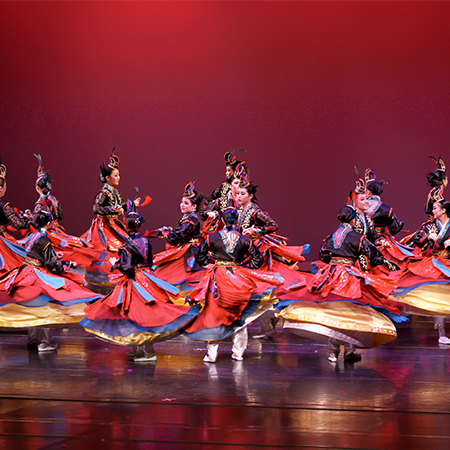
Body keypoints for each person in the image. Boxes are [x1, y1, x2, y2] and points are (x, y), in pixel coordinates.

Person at [278, 206, 405, 362]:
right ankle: (349, 350)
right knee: (351, 310)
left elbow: (323, 255)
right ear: (353, 220)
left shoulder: (331, 236)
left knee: (331, 308)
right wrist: (384, 263)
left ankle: (333, 352)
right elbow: (371, 253)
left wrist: (335, 261)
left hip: (330, 275)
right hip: (348, 276)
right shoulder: (356, 237)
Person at [81, 208, 199, 362]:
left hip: (134, 280)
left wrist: (116, 265)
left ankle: (146, 352)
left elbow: (127, 268)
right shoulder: (145, 241)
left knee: (137, 314)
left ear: (126, 226)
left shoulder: (126, 246)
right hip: (147, 277)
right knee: (144, 314)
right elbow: (149, 262)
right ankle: (139, 348)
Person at [182, 207, 283, 362]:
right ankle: (238, 353)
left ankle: (212, 353)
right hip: (238, 278)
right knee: (239, 316)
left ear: (222, 220)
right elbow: (257, 259)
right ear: (236, 220)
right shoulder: (244, 240)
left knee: (214, 314)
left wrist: (209, 263)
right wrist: (244, 268)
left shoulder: (213, 238)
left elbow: (200, 255)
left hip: (218, 278)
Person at [0, 211, 102, 351]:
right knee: (50, 305)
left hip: (26, 271)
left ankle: (33, 340)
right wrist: (66, 266)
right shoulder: (44, 240)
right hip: (39, 274)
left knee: (35, 307)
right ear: (49, 223)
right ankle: (43, 342)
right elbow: (53, 264)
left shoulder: (32, 237)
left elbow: (36, 254)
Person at [235, 175, 310, 338]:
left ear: (250, 196)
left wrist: (256, 231)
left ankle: (268, 322)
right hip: (246, 251)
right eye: (238, 193)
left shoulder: (255, 211)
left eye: (242, 193)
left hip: (257, 251)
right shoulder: (242, 211)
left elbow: (273, 225)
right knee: (256, 286)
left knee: (259, 286)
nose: (238, 196)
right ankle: (268, 321)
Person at [29, 154, 99, 276]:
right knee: (72, 244)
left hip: (47, 231)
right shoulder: (54, 199)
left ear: (37, 188)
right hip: (56, 228)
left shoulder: (40, 203)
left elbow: (35, 221)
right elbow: (60, 216)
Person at [393, 198, 450, 345]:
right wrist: (427, 237)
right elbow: (417, 239)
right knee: (437, 297)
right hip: (436, 263)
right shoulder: (429, 226)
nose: (433, 211)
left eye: (435, 208)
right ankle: (441, 333)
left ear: (443, 210)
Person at [82, 148, 139, 288]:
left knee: (127, 243)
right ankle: (102, 278)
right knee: (106, 250)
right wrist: (114, 209)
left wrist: (131, 204)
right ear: (107, 178)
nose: (119, 177)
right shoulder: (103, 192)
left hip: (114, 224)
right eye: (116, 175)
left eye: (119, 175)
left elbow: (119, 207)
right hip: (104, 226)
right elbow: (96, 208)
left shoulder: (115, 192)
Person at [152, 179, 205, 296]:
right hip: (188, 248)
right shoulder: (191, 217)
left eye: (186, 203)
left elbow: (175, 237)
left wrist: (167, 233)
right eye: (182, 202)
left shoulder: (190, 221)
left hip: (190, 251)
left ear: (194, 206)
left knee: (166, 272)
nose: (182, 205)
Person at [364, 168, 414, 273]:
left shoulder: (360, 208)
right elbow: (394, 228)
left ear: (368, 192)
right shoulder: (386, 209)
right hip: (381, 240)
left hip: (362, 239)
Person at [0, 157, 30, 273]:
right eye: (6, 186)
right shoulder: (4, 206)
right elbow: (17, 224)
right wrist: (30, 220)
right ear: (1, 188)